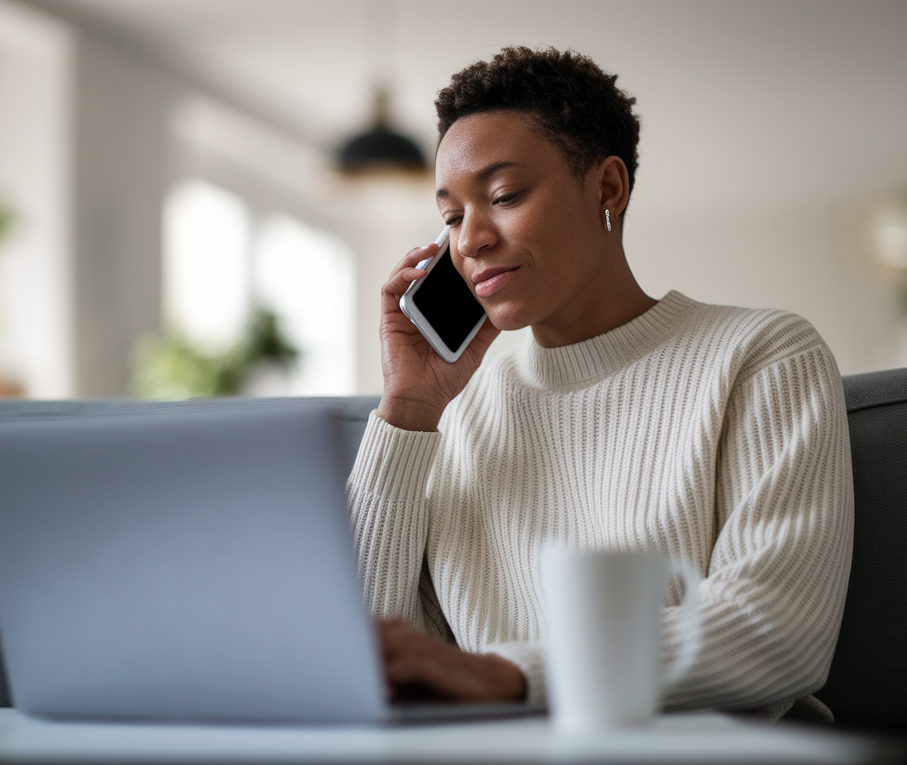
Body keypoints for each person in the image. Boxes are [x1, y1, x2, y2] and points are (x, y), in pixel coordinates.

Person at [351, 46, 854, 721]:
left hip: (694, 762)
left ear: (608, 189)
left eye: (503, 197)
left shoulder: (761, 355)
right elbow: (365, 658)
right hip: (489, 761)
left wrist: (509, 677)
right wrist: (409, 408)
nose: (469, 241)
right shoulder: (457, 414)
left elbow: (778, 634)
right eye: (451, 217)